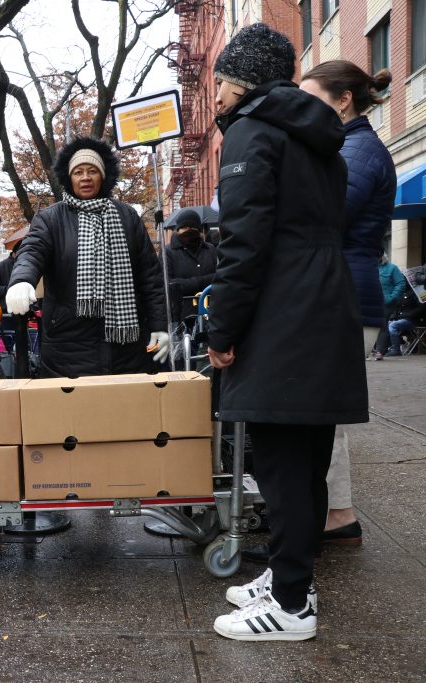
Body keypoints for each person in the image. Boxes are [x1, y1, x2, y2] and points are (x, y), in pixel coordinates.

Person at [204, 24, 368, 641]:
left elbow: (244, 244)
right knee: (306, 460)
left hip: (282, 312)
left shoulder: (253, 131)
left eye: (220, 80)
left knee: (279, 465)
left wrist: (222, 329)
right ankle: (288, 575)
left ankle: (293, 606)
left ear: (242, 80)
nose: (215, 94)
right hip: (322, 305)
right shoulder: (317, 134)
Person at [299, 60, 396, 545]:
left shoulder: (356, 149)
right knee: (324, 415)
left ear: (342, 100)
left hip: (345, 294)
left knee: (321, 415)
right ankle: (336, 511)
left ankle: (336, 516)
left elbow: (326, 215)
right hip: (346, 292)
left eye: (310, 99)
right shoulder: (351, 147)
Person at [5, 136, 170, 376]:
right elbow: (32, 251)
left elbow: (150, 276)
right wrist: (21, 279)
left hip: (126, 348)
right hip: (68, 347)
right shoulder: (51, 219)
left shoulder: (126, 216)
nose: (85, 177)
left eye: (92, 171)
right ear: (68, 177)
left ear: (103, 176)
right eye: (78, 172)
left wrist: (159, 326)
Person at [163, 208, 217, 322]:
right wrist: (202, 281)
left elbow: (219, 277)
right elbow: (169, 285)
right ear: (178, 229)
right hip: (180, 314)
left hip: (210, 311)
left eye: (193, 228)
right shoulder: (168, 252)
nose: (189, 231)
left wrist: (187, 283)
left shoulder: (210, 249)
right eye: (185, 228)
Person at [373, 254, 408, 358]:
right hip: (370, 300)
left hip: (386, 302)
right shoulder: (370, 266)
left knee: (382, 324)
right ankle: (371, 349)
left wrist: (392, 297)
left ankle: (379, 351)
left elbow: (401, 283)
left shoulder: (392, 268)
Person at [384, 287, 426, 355]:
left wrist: (407, 315)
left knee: (393, 325)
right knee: (386, 323)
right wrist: (393, 317)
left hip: (414, 320)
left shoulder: (418, 292)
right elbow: (396, 308)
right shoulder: (401, 293)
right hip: (402, 318)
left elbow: (422, 308)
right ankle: (397, 344)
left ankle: (396, 349)